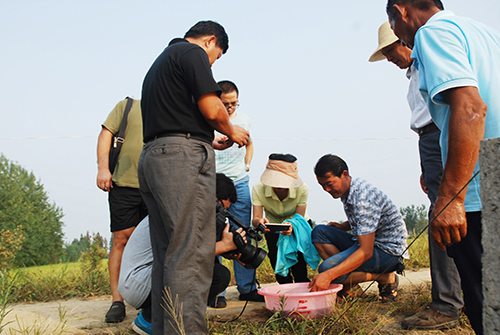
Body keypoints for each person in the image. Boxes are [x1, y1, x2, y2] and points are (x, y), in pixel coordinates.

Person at [386, 1, 500, 333]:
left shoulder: (431, 33)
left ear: (401, 10)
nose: (399, 35)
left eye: (392, 22)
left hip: (482, 186)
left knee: (487, 303)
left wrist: (451, 198)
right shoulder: (484, 33)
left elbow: (470, 107)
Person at [138, 20, 249, 335]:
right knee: (191, 252)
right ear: (211, 41)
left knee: (168, 255)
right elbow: (213, 109)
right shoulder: (193, 53)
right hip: (181, 160)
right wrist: (231, 129)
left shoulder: (161, 63)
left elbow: (175, 119)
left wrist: (208, 139)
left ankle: (166, 330)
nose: (212, 63)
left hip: (155, 157)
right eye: (217, 56)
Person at [369, 21, 463, 329]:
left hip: (442, 137)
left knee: (444, 219)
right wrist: (427, 166)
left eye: (392, 52)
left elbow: (452, 110)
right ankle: (450, 298)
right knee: (444, 216)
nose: (391, 59)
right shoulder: (412, 75)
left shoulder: (430, 62)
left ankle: (446, 305)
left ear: (405, 41)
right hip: (430, 141)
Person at [118, 174, 245, 335]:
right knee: (217, 275)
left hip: (143, 280)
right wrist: (224, 245)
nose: (219, 214)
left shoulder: (183, 205)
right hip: (139, 282)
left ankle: (167, 315)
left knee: (213, 270)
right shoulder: (181, 212)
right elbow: (185, 254)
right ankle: (150, 320)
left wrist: (227, 251)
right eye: (219, 207)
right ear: (210, 195)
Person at [309, 154, 408, 302]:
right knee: (320, 232)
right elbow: (366, 220)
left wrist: (329, 275)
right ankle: (350, 286)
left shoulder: (363, 199)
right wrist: (343, 226)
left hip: (387, 252)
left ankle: (386, 277)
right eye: (322, 185)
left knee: (327, 269)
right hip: (367, 243)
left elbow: (366, 251)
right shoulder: (349, 189)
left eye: (329, 183)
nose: (326, 189)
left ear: (344, 174)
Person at [96, 97, 148, 323]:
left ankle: (148, 298)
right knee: (121, 240)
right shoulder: (128, 106)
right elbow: (106, 134)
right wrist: (102, 168)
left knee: (155, 242)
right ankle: (117, 300)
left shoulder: (172, 106)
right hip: (123, 184)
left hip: (155, 187)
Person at [213, 80, 262, 306]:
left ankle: (247, 288)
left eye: (234, 103)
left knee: (242, 234)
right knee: (214, 233)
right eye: (226, 103)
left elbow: (249, 143)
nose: (231, 108)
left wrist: (247, 164)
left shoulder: (244, 121)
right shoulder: (208, 119)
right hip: (214, 184)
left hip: (239, 181)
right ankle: (217, 291)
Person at [252, 153, 313, 284]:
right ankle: (285, 292)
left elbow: (299, 217)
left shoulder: (302, 189)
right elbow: (256, 218)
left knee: (298, 260)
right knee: (275, 258)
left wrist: (292, 226)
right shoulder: (258, 188)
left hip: (298, 225)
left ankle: (301, 288)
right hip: (272, 227)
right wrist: (260, 222)